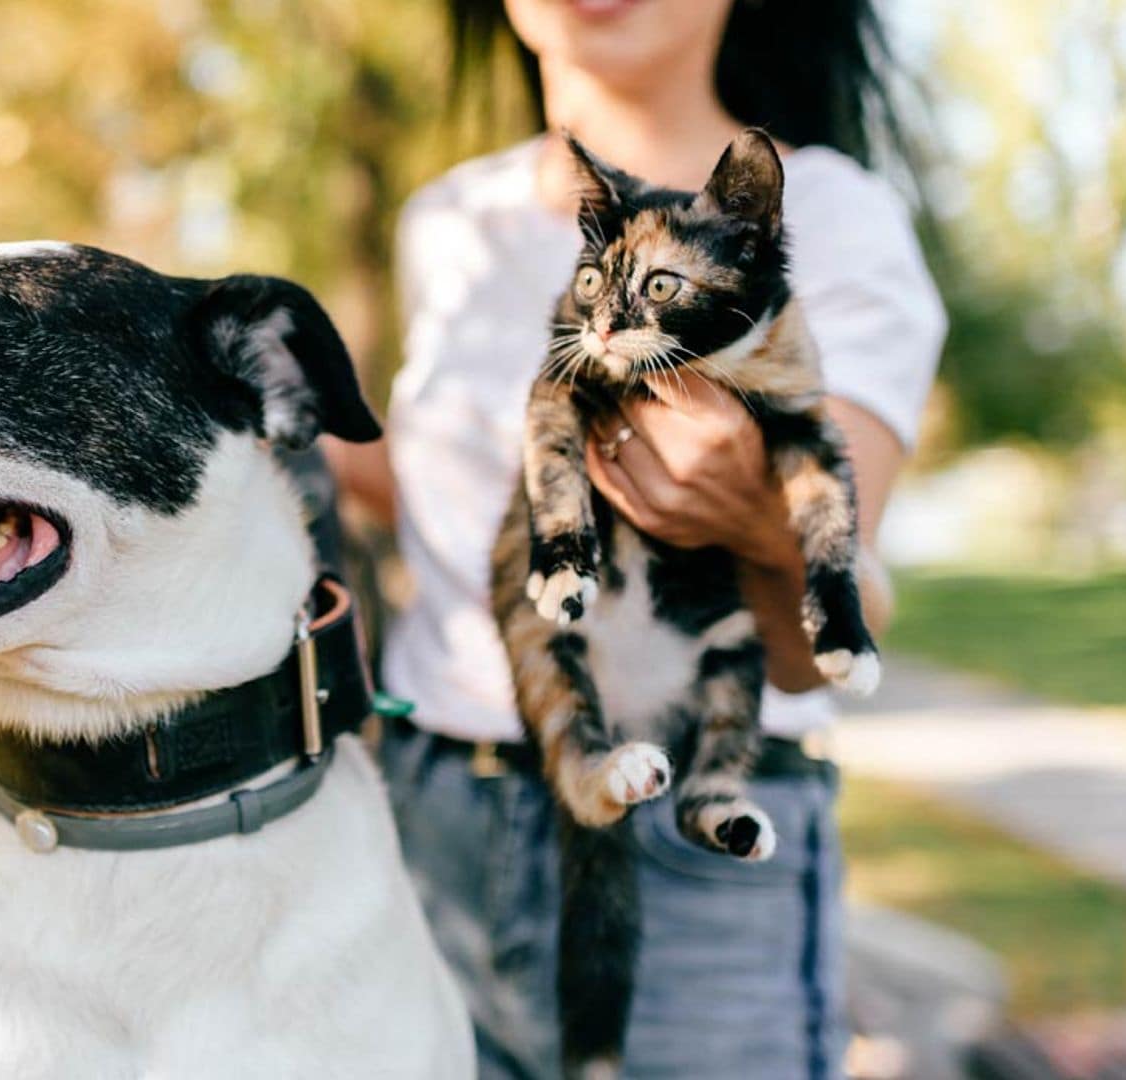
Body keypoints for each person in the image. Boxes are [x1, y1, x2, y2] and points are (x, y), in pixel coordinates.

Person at [325, 1, 946, 1077]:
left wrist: (747, 511)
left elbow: (809, 653)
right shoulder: (448, 220)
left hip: (693, 846)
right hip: (427, 832)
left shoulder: (842, 222)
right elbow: (445, 491)